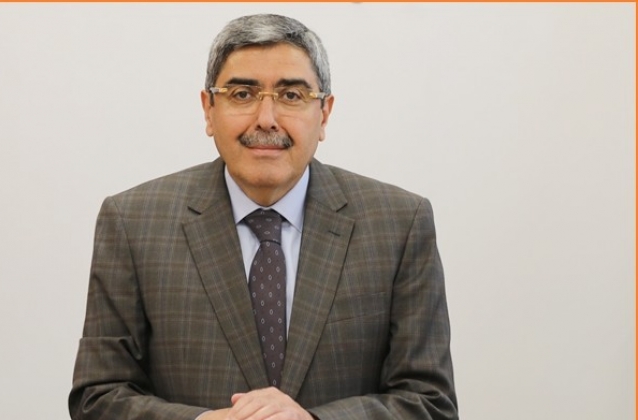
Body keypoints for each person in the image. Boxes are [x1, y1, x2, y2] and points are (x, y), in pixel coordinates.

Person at [69, 13, 458, 420]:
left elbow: (430, 403)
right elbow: (97, 398)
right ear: (208, 109)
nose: (266, 119)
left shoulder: (399, 224)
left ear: (324, 114)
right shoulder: (133, 223)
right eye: (242, 94)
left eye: (291, 95)